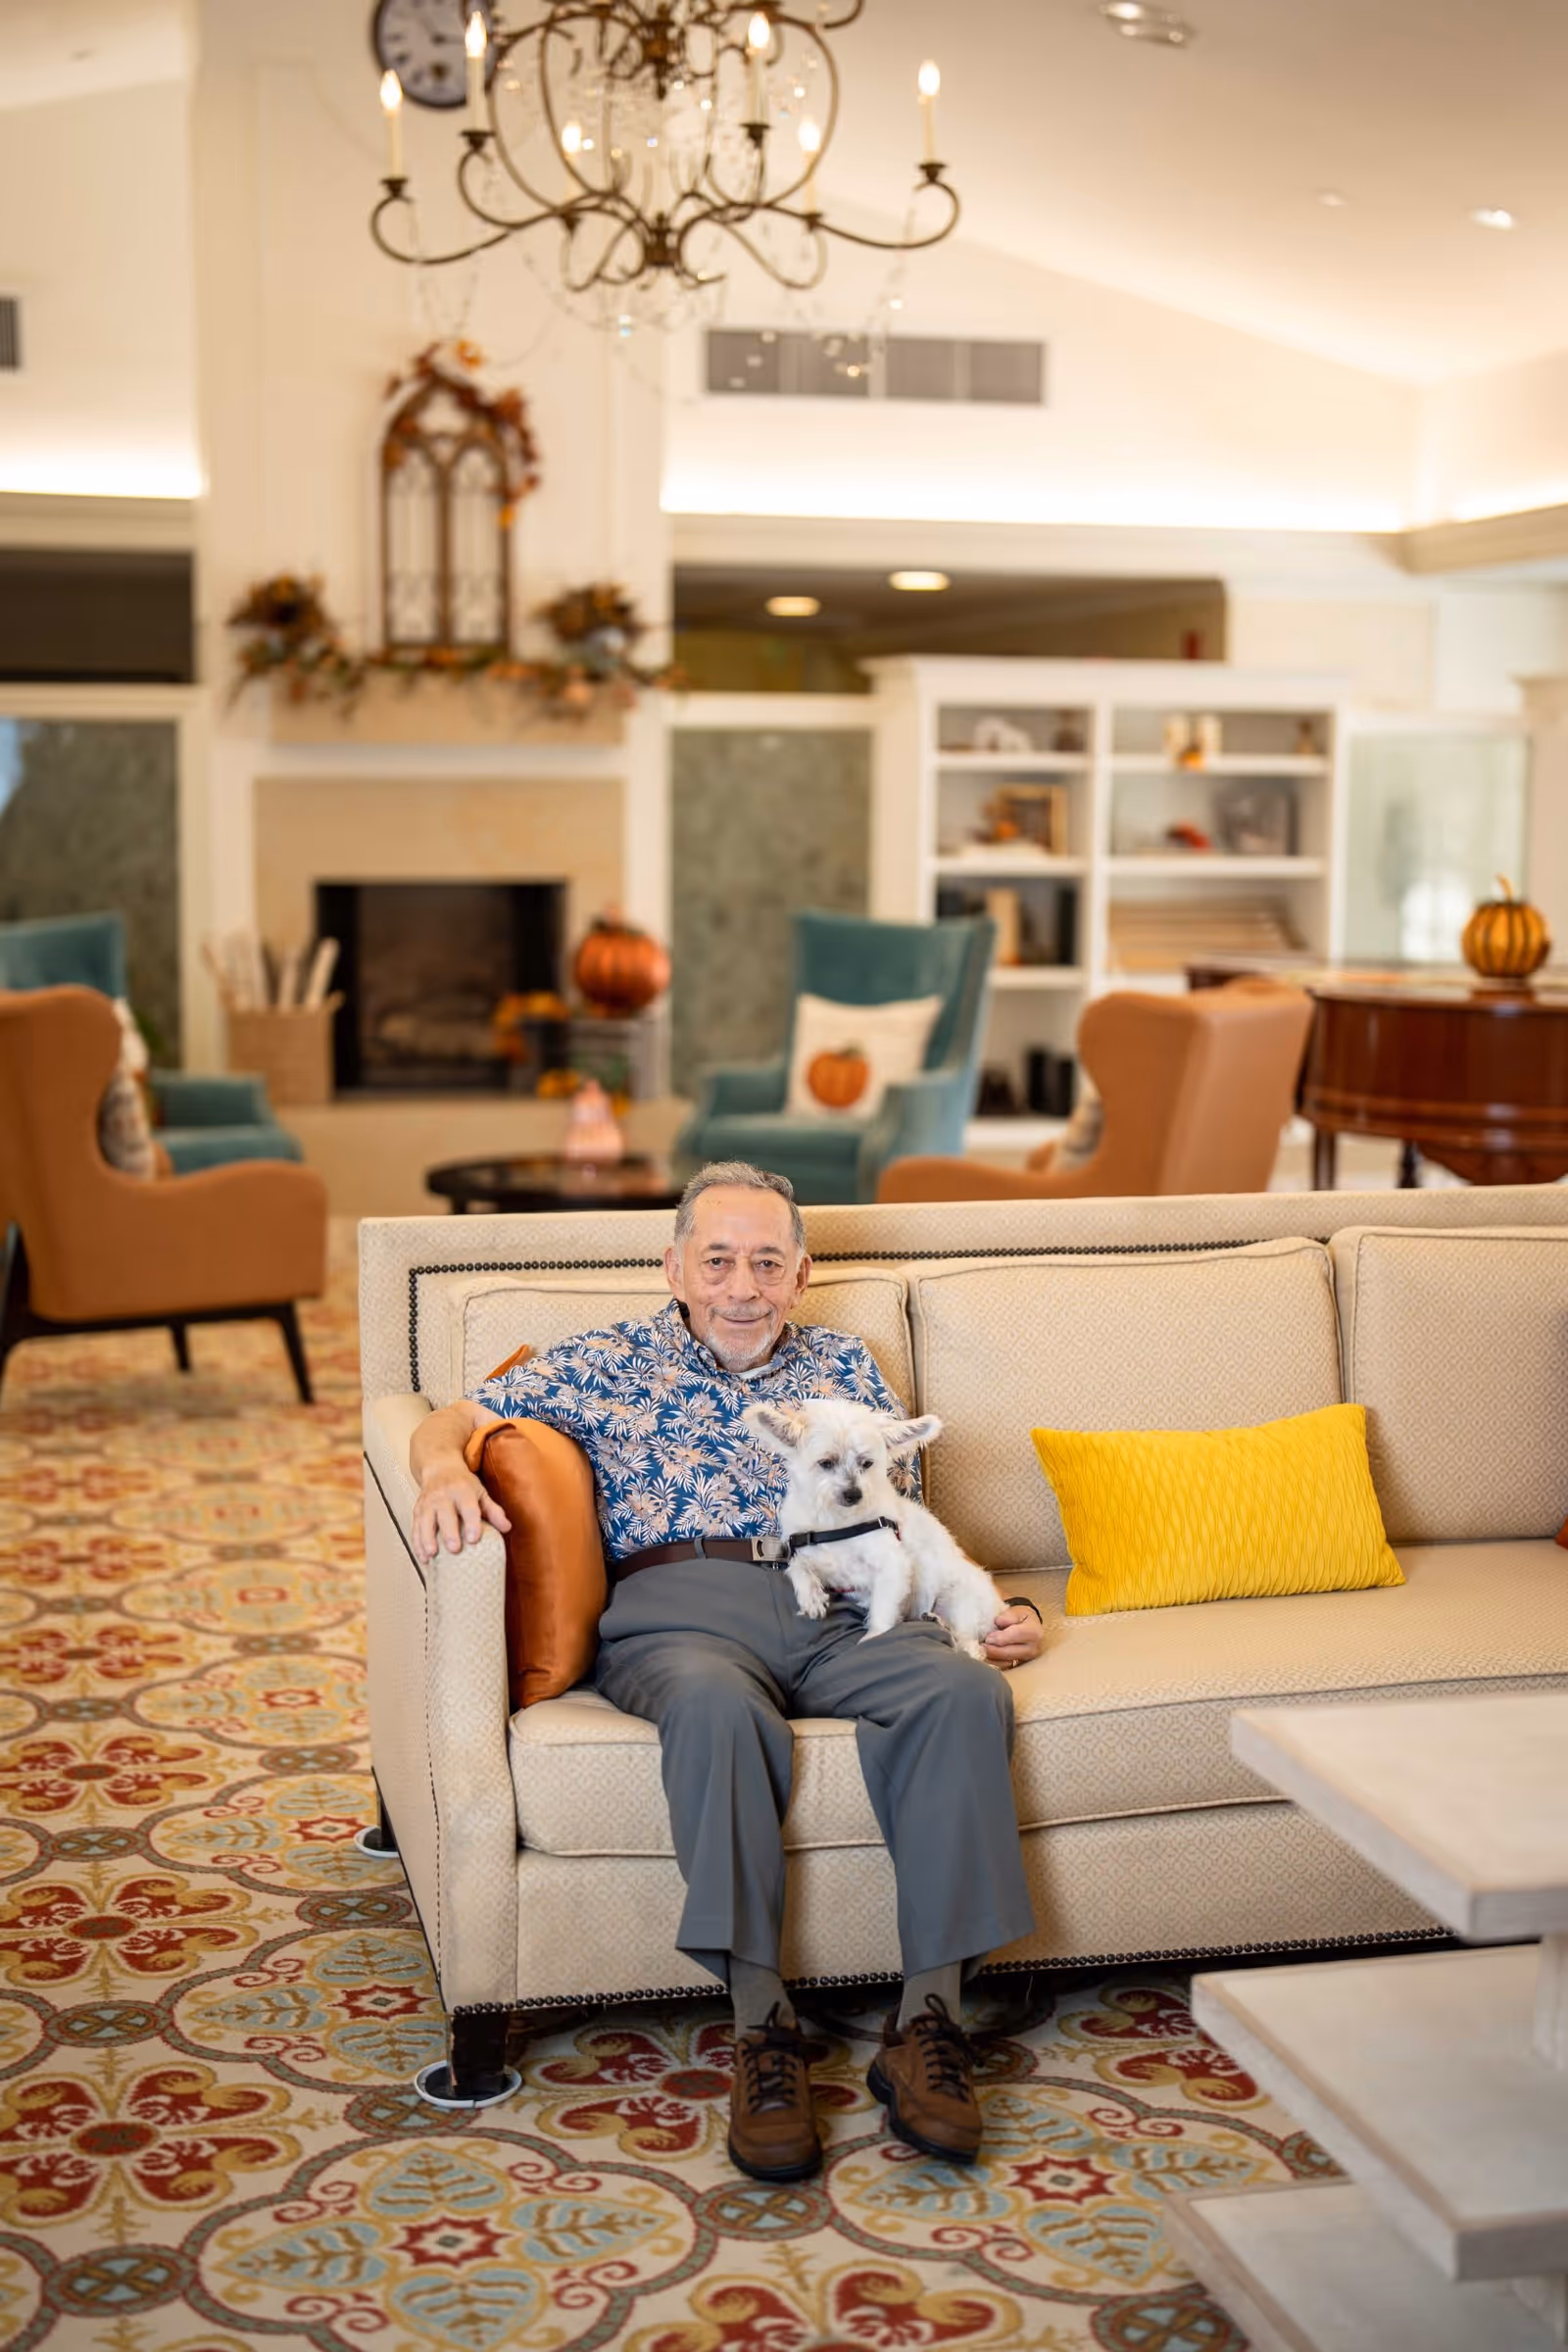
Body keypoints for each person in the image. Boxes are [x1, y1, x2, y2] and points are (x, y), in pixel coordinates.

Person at [410, 1160, 1042, 2180]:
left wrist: (989, 1613)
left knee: (961, 1692)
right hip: (682, 1609)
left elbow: (900, 1524)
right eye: (716, 1261)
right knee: (713, 1711)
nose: (740, 1287)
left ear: (799, 1274)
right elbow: (456, 1417)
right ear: (674, 1267)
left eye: (763, 1263)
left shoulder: (846, 1363)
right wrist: (443, 1465)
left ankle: (926, 2024)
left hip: (839, 1604)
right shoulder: (609, 1359)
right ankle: (764, 2032)